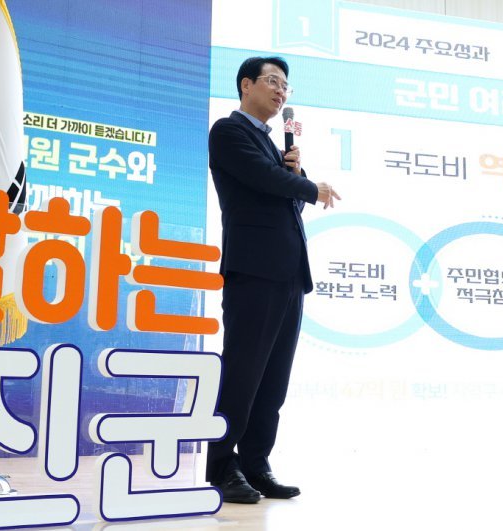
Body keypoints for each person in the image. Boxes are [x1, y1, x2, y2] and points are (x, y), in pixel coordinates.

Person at [206, 56, 340, 504]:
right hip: (254, 270)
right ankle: (220, 465)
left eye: (286, 86)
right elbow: (262, 180)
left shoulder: (273, 144)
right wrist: (308, 186)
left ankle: (256, 464)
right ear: (246, 85)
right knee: (243, 373)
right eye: (272, 81)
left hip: (289, 273)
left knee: (273, 380)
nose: (281, 91)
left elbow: (288, 202)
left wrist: (296, 175)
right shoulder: (229, 132)